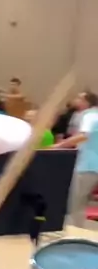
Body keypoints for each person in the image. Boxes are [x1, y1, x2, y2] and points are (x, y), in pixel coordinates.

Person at [54, 93, 98, 226]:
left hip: (87, 165)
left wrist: (58, 145)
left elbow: (83, 136)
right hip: (91, 165)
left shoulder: (89, 116)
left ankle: (74, 230)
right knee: (80, 202)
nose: (75, 100)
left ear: (86, 102)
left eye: (79, 98)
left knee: (75, 203)